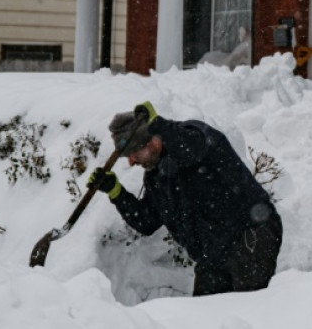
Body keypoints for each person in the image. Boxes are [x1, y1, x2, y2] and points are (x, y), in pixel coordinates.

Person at [88, 102, 282, 296]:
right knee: (204, 315)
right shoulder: (157, 177)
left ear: (153, 142)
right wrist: (116, 192)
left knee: (247, 310)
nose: (132, 162)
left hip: (250, 234)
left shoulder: (195, 136)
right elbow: (147, 221)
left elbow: (190, 149)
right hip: (213, 253)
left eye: (133, 154)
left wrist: (158, 124)